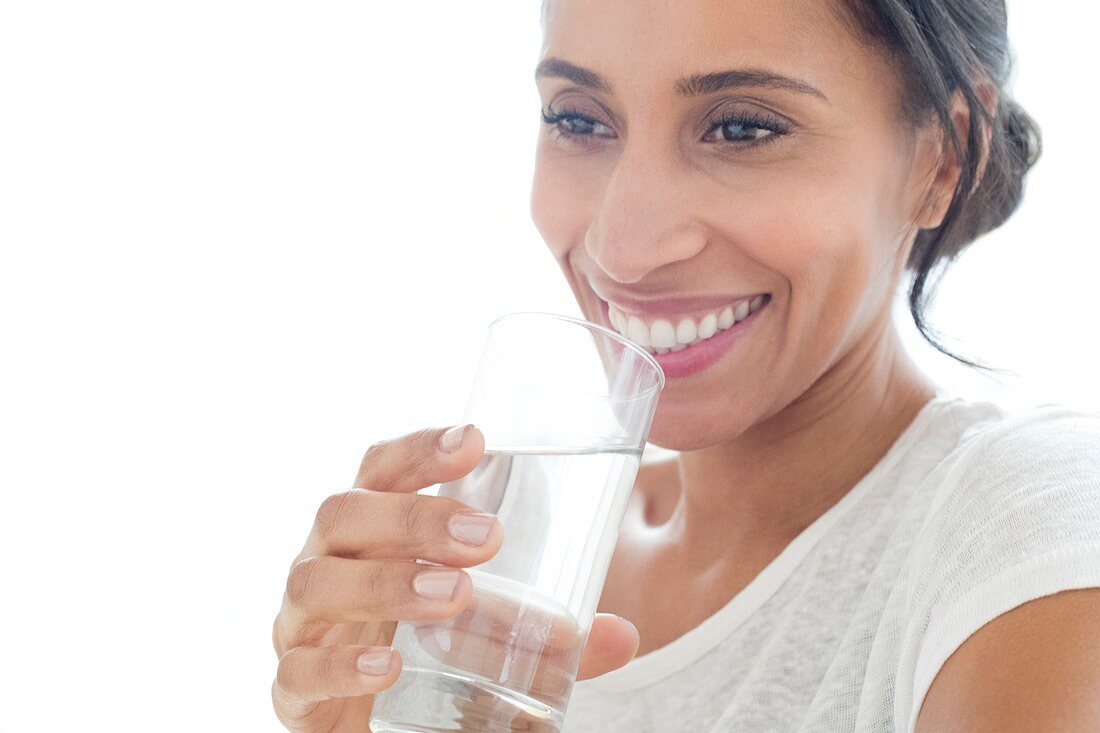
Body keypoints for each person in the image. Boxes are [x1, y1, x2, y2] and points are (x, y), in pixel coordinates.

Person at [271, 0, 1100, 730]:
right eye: (579, 119)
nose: (620, 248)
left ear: (943, 159)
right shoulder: (496, 572)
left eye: (743, 128)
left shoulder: (1037, 540)